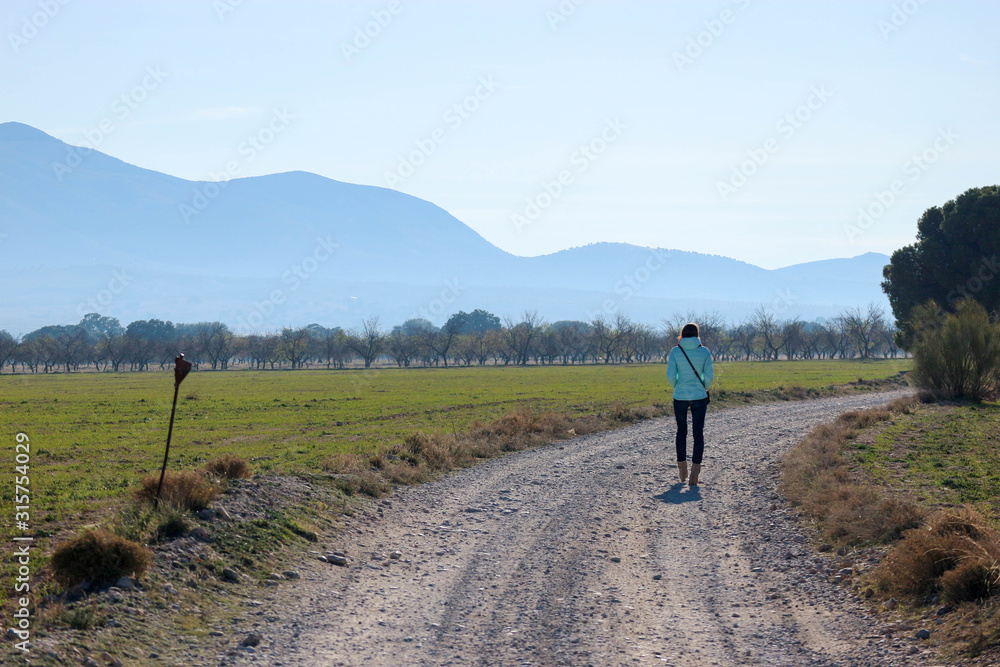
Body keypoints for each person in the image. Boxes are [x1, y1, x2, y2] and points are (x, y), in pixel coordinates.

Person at [666, 322, 714, 486]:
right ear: (697, 334)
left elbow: (670, 375)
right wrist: (702, 387)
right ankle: (694, 473)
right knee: (698, 433)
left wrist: (678, 387)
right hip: (699, 397)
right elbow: (709, 376)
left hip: (680, 396)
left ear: (682, 334)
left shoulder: (675, 351)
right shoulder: (705, 352)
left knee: (681, 432)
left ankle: (682, 469)